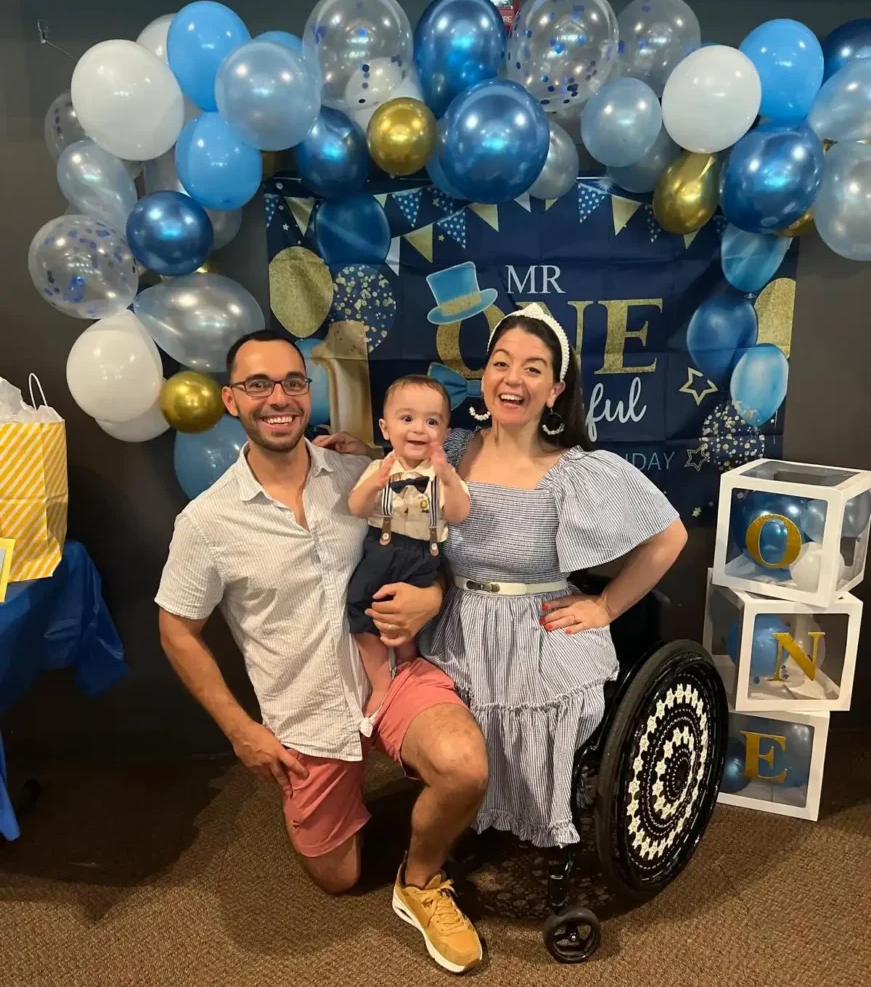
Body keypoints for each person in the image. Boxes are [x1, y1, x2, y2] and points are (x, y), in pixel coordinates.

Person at [156, 330, 487, 974]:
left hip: (391, 677)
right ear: (230, 400)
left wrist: (433, 595)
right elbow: (176, 630)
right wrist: (240, 730)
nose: (278, 398)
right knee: (337, 877)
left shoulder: (359, 470)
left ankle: (419, 883)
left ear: (309, 392)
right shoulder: (205, 522)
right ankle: (346, 793)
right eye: (258, 385)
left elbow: (429, 547)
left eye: (293, 382)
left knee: (465, 768)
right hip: (304, 712)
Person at [323, 304, 687, 849]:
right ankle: (466, 818)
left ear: (556, 388)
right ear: (486, 374)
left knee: (533, 720)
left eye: (533, 368)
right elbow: (401, 467)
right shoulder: (449, 447)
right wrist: (361, 454)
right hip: (457, 628)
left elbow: (669, 537)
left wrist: (606, 606)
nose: (513, 379)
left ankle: (523, 819)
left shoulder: (577, 470)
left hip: (537, 635)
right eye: (501, 362)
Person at [347, 375, 471, 716]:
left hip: (423, 556)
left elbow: (460, 514)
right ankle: (380, 682)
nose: (419, 429)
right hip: (382, 548)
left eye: (431, 421)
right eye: (407, 419)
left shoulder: (443, 474)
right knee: (360, 606)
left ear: (445, 435)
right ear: (385, 429)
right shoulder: (378, 467)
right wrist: (375, 483)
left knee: (408, 620)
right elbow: (356, 508)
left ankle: (407, 666)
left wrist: (448, 479)